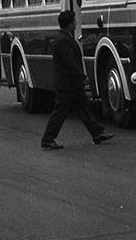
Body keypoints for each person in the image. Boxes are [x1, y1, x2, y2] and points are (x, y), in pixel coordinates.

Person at [40, 10, 115, 150]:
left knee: (83, 109)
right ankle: (48, 139)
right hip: (67, 83)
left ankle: (97, 133)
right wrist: (82, 76)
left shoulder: (64, 37)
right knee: (60, 112)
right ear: (69, 24)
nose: (76, 23)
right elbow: (69, 62)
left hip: (71, 83)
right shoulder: (63, 40)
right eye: (74, 21)